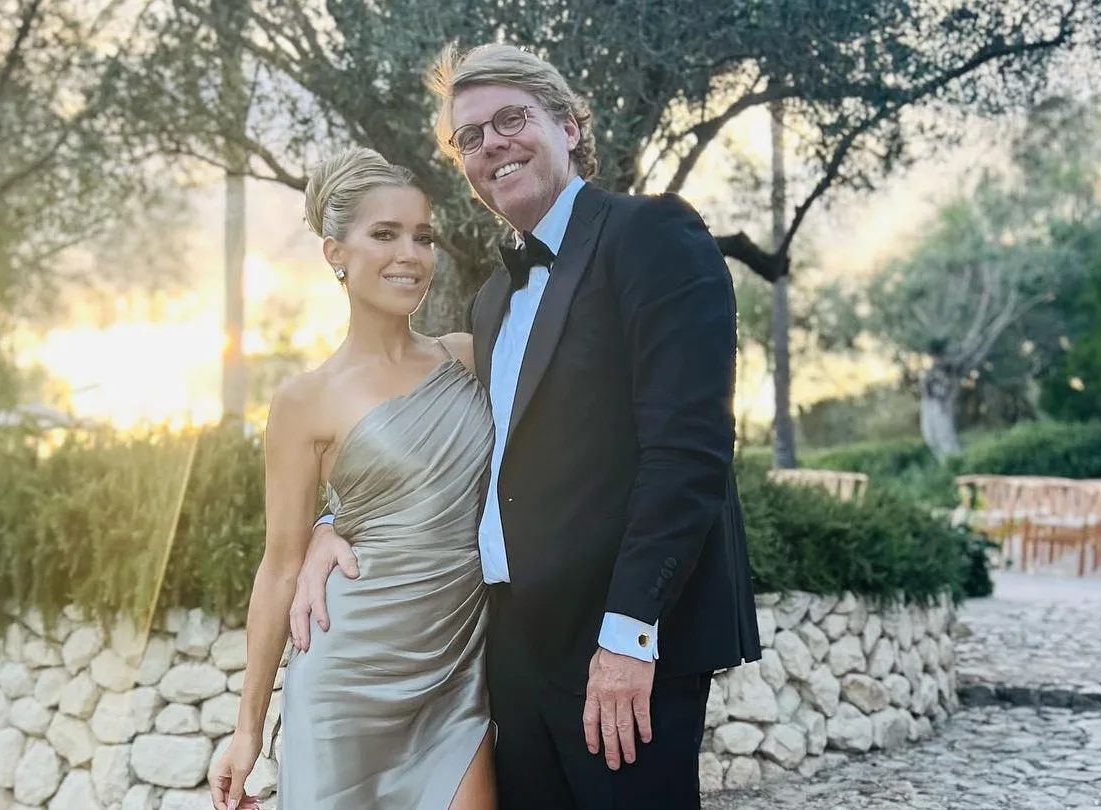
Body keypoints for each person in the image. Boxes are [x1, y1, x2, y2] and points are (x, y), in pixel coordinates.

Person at [290, 43, 762, 809]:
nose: (491, 144)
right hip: (510, 650)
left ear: (569, 126)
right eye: (470, 137)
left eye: (511, 119)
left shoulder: (652, 234)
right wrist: (333, 520)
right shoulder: (489, 304)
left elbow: (688, 453)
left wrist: (630, 634)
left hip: (617, 640)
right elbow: (443, 449)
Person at [209, 147, 498, 810]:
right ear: (335, 254)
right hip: (346, 680)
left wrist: (330, 522)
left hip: (458, 676)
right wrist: (247, 731)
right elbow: (279, 569)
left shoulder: (469, 360)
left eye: (423, 237)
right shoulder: (303, 400)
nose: (410, 255)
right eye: (385, 234)